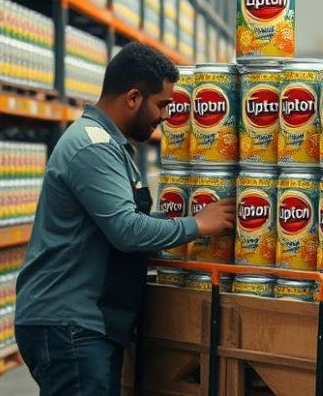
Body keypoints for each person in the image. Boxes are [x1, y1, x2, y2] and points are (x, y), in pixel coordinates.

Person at [14, 42, 236, 396]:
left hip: (79, 325)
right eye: (162, 104)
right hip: (70, 325)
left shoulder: (109, 144)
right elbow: (126, 230)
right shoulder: (93, 146)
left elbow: (126, 221)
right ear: (133, 97)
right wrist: (198, 224)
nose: (165, 116)